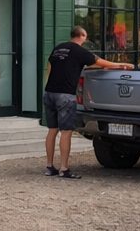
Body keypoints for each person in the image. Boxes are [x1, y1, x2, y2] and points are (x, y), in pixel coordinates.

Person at [44, 25, 127, 178]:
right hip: (65, 95)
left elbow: (49, 68)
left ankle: (49, 167)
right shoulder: (79, 51)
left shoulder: (58, 48)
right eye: (85, 37)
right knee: (66, 132)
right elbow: (100, 62)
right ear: (82, 35)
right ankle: (64, 168)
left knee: (52, 130)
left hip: (49, 93)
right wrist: (121, 66)